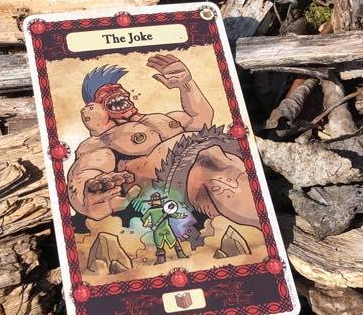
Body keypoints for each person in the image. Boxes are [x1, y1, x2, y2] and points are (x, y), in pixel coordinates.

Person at [67, 54, 259, 227]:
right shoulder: (102, 141)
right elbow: (85, 172)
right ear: (94, 106)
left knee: (222, 161)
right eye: (106, 93)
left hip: (218, 152)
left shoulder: (160, 118)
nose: (116, 93)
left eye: (117, 88)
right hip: (183, 181)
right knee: (211, 168)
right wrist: (88, 193)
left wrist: (186, 84)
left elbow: (201, 120)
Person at [140, 192, 188, 263]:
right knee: (159, 245)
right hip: (157, 231)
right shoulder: (151, 210)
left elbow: (173, 214)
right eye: (154, 201)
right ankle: (161, 259)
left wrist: (180, 215)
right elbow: (144, 218)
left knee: (174, 242)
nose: (156, 202)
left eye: (157, 200)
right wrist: (149, 223)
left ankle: (181, 255)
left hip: (166, 228)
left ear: (161, 201)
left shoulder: (164, 209)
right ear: (151, 202)